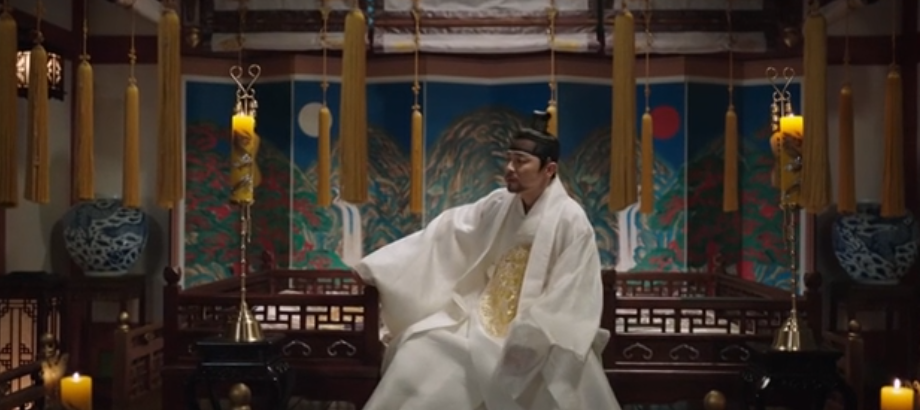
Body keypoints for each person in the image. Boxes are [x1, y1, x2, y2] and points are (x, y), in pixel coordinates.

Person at [352, 110, 620, 410]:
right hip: (482, 316)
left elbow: (571, 290)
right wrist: (378, 266)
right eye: (509, 159)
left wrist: (532, 332)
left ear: (549, 169)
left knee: (550, 378)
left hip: (544, 329)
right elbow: (448, 232)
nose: (510, 168)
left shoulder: (571, 220)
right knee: (420, 349)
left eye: (521, 161)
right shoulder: (499, 203)